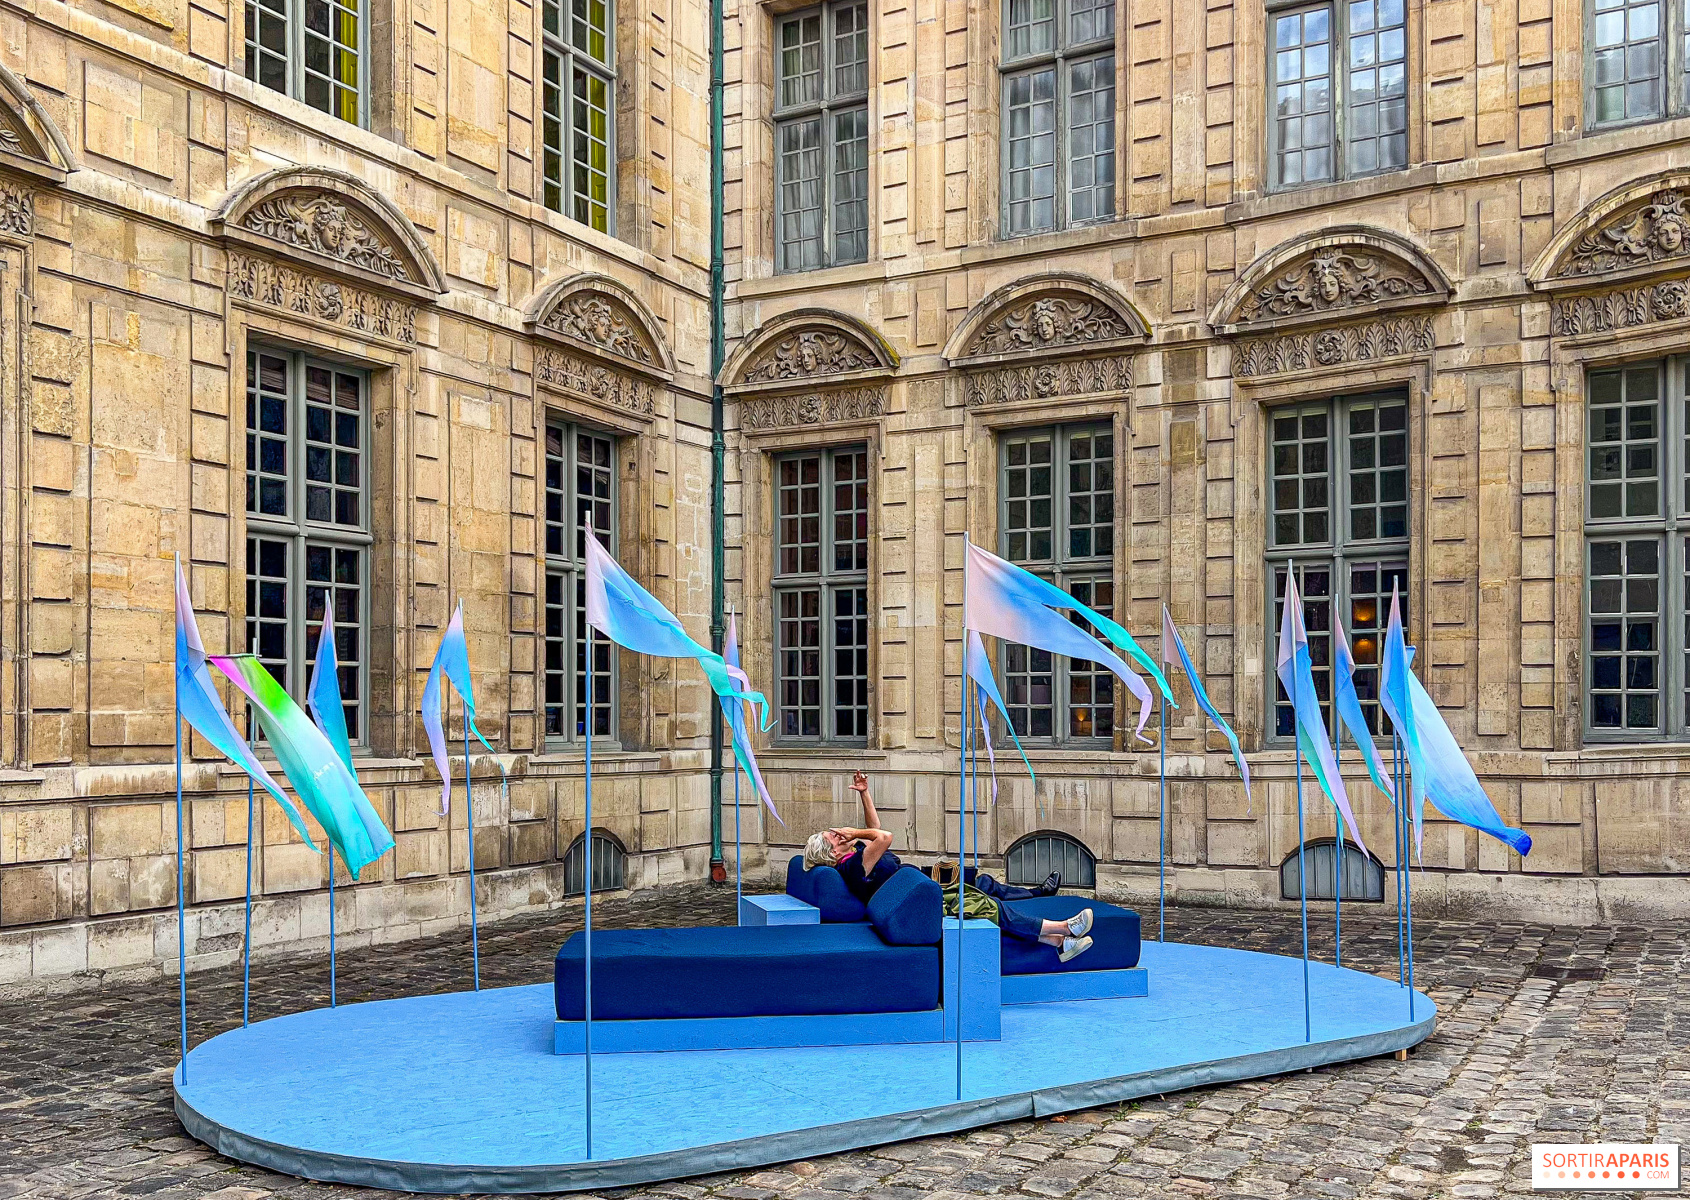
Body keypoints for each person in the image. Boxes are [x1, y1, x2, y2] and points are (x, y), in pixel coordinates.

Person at [802, 771, 1097, 962]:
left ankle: (1058, 942)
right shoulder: (851, 868)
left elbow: (876, 829)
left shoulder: (855, 859)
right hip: (915, 903)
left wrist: (864, 793)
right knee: (988, 906)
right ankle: (1063, 927)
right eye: (834, 837)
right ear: (832, 853)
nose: (840, 834)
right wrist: (855, 832)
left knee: (983, 897)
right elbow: (884, 836)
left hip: (918, 893)